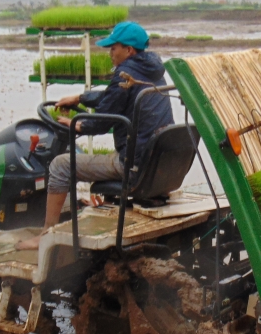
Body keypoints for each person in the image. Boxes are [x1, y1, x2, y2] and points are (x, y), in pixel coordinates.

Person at [16, 21, 173, 250]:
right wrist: (80, 98)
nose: (110, 53)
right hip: (154, 162)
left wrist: (78, 126)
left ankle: (46, 235)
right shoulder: (151, 71)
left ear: (128, 50)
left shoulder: (126, 73)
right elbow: (113, 96)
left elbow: (102, 120)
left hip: (134, 164)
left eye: (113, 48)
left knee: (60, 165)